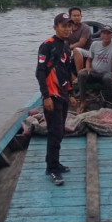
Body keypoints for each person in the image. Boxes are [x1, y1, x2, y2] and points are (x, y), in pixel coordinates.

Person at [35, 12, 77, 186]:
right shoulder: (47, 45)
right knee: (55, 132)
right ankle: (51, 169)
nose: (67, 29)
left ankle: (55, 163)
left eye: (69, 25)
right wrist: (46, 96)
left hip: (63, 95)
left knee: (59, 132)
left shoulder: (67, 47)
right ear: (55, 27)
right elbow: (40, 72)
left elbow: (67, 72)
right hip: (52, 95)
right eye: (63, 25)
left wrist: (72, 93)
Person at [77, 24, 112, 113]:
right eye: (104, 33)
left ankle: (108, 102)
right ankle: (83, 101)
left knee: (108, 78)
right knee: (81, 74)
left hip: (105, 73)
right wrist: (87, 68)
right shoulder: (95, 44)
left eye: (109, 33)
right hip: (93, 72)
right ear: (101, 35)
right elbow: (89, 60)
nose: (106, 36)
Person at [67, 6, 92, 72]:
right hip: (75, 52)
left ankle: (80, 75)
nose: (77, 17)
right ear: (70, 17)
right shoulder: (68, 28)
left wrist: (68, 48)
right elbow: (66, 42)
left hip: (88, 52)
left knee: (76, 50)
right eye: (74, 16)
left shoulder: (85, 28)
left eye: (78, 15)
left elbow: (81, 43)